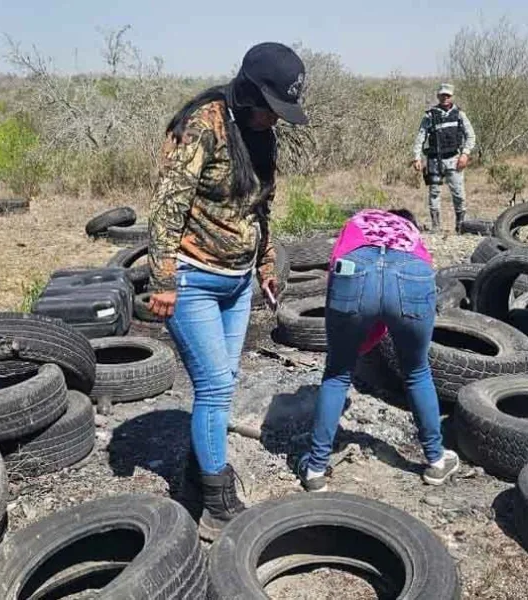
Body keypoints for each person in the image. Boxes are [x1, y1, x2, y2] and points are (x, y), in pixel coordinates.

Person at [147, 42, 308, 540]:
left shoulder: (263, 137)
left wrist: (265, 262)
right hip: (193, 277)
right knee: (215, 386)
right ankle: (216, 503)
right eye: (270, 108)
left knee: (224, 380)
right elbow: (168, 205)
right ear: (247, 92)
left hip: (238, 283)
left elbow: (260, 208)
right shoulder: (204, 125)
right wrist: (163, 279)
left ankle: (198, 476)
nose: (274, 120)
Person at [297, 208, 460, 492]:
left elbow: (336, 268)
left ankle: (315, 469)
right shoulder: (411, 232)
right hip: (413, 272)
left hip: (354, 269)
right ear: (407, 220)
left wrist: (354, 344)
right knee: (417, 371)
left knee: (337, 373)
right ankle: (435, 460)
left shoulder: (360, 219)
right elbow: (397, 291)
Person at [412, 83, 476, 232]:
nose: (445, 98)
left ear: (451, 96)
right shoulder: (429, 115)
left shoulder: (459, 114)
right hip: (434, 161)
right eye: (442, 95)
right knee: (434, 193)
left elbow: (471, 135)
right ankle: (436, 226)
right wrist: (416, 157)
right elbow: (420, 137)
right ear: (438, 96)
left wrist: (465, 154)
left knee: (459, 194)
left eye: (447, 95)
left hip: (454, 159)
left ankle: (460, 226)